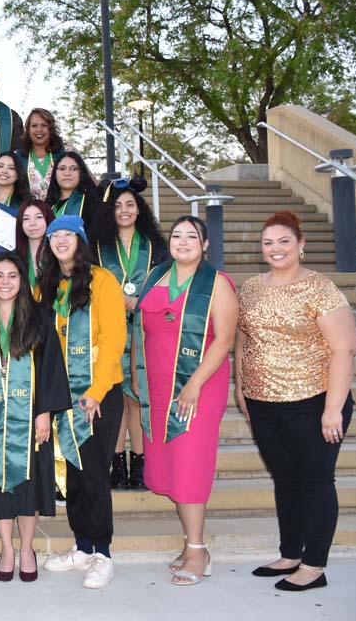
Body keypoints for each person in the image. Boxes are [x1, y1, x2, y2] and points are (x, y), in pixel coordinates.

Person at [235, 211, 356, 592]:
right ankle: (290, 553)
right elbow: (242, 340)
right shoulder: (251, 287)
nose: (276, 249)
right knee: (285, 480)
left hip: (314, 400)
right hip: (263, 403)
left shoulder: (320, 288)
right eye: (268, 242)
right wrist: (241, 388)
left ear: (301, 245)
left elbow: (345, 349)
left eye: (284, 241)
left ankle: (315, 565)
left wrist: (333, 408)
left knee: (316, 481)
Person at [130, 215, 237, 585]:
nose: (184, 241)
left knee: (190, 461)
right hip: (156, 384)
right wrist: (135, 374)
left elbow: (224, 339)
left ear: (205, 245)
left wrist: (193, 385)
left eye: (193, 236)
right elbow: (138, 330)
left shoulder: (218, 284)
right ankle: (192, 545)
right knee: (170, 462)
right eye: (177, 235)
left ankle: (197, 549)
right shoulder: (155, 277)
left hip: (199, 386)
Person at [0, 252, 70, 583]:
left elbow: (52, 366)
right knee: (0, 486)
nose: (5, 282)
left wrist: (44, 411)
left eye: (13, 275)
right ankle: (6, 549)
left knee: (30, 486)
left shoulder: (40, 318)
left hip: (30, 421)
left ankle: (26, 548)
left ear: (22, 280)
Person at [37, 215, 125, 589]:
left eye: (67, 234)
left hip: (96, 395)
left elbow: (113, 340)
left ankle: (103, 552)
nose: (60, 240)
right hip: (61, 395)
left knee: (92, 474)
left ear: (81, 240)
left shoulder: (103, 281)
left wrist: (97, 391)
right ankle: (83, 545)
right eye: (54, 234)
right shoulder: (46, 286)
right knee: (70, 472)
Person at [92, 179, 168, 491]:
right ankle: (116, 462)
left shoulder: (156, 246)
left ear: (139, 210)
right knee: (115, 400)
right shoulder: (98, 245)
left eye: (130, 205)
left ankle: (139, 462)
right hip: (110, 331)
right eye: (118, 205)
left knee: (137, 398)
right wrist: (113, 300)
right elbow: (91, 283)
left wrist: (143, 301)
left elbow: (166, 284)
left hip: (143, 332)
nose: (124, 210)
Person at [18, 108, 67, 201]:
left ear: (51, 128)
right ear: (28, 129)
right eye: (34, 125)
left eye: (44, 125)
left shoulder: (66, 151)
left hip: (60, 209)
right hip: (30, 212)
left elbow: (84, 176)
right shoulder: (19, 156)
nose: (39, 129)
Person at [47, 151, 100, 231]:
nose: (67, 173)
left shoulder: (93, 203)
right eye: (62, 168)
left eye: (73, 169)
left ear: (81, 173)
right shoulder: (48, 205)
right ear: (55, 174)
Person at [0, 150, 32, 232]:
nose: (4, 171)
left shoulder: (25, 206)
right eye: (0, 166)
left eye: (11, 168)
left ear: (18, 174)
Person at [16, 199, 54, 293]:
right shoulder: (15, 257)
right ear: (21, 224)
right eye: (26, 218)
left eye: (39, 217)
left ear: (48, 220)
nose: (32, 223)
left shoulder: (58, 255)